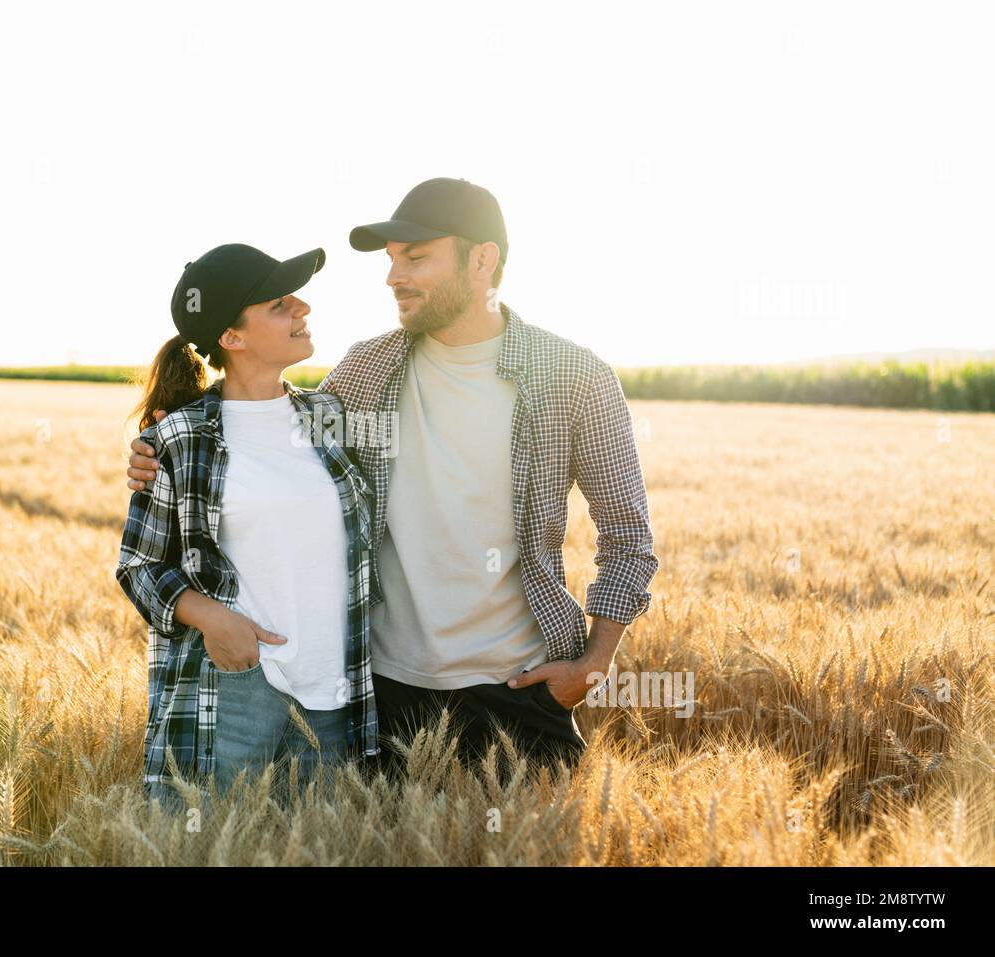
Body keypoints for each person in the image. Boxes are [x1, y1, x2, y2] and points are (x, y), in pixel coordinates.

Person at [127, 179, 659, 785]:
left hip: (524, 688)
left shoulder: (575, 378)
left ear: (482, 259)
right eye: (390, 261)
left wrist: (593, 664)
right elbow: (265, 433)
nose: (393, 277)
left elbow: (628, 536)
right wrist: (163, 441)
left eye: (416, 257)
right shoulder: (367, 368)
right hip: (386, 695)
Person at [115, 242, 378, 811]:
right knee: (209, 846)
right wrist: (211, 618)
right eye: (280, 303)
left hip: (334, 691)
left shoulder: (328, 420)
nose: (302, 308)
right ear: (231, 338)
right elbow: (137, 566)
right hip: (234, 687)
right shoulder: (179, 439)